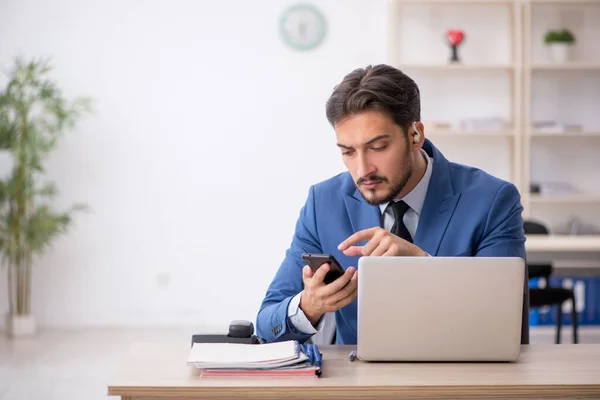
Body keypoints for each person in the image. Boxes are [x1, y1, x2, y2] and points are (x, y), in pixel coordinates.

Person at [255, 64, 529, 345]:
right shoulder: (323, 202)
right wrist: (310, 306)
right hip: (360, 383)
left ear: (415, 135)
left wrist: (424, 267)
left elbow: (502, 320)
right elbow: (266, 323)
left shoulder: (493, 200)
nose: (362, 170)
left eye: (377, 147)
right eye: (348, 152)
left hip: (461, 380)